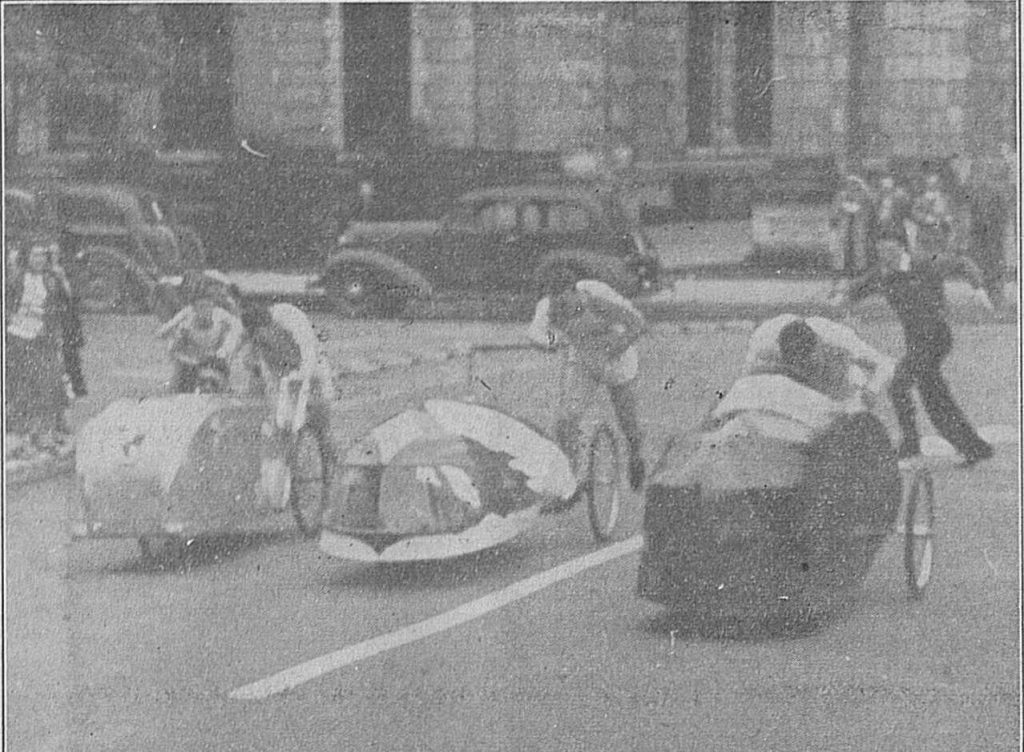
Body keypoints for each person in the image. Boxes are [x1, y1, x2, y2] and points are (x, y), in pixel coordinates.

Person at [831, 237, 995, 466]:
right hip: (916, 342)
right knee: (933, 394)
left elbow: (963, 263)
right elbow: (854, 290)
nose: (885, 256)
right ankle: (973, 447)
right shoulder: (882, 274)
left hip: (936, 338)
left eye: (889, 249)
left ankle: (912, 444)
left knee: (902, 386)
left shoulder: (925, 263)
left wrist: (978, 289)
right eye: (881, 251)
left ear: (901, 248)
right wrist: (840, 298)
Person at [528, 278, 646, 494]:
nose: (563, 308)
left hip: (616, 360)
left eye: (566, 302)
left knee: (628, 422)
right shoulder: (547, 307)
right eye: (558, 304)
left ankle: (635, 456)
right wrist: (554, 342)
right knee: (566, 420)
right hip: (585, 361)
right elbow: (535, 333)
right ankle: (570, 478)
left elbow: (637, 323)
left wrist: (616, 346)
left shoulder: (597, 299)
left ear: (575, 293)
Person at [241, 301, 334, 509]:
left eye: (263, 335)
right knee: (281, 427)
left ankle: (330, 479)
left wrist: (303, 378)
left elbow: (308, 353)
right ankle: (278, 487)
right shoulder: (259, 342)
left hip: (314, 368)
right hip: (285, 376)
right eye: (257, 338)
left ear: (270, 325)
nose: (261, 340)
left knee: (320, 424)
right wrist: (279, 411)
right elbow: (270, 380)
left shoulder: (289, 318)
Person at [4, 237, 75, 455]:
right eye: (35, 254)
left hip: (43, 338)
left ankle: (45, 431)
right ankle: (22, 434)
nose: (40, 259)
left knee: (49, 382)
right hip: (18, 337)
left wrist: (61, 277)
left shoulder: (51, 279)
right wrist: (13, 319)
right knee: (22, 385)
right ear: (27, 257)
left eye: (43, 255)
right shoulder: (16, 278)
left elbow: (66, 302)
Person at [742, 313, 896, 409]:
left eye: (813, 365)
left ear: (819, 343)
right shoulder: (763, 351)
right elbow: (745, 385)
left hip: (837, 369)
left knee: (853, 397)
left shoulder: (837, 337)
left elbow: (886, 364)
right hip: (778, 360)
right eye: (803, 367)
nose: (811, 373)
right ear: (787, 361)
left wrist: (872, 389)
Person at [947, 152, 1009, 308]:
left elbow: (1003, 215)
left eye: (982, 172)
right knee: (980, 266)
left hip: (993, 236)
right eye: (977, 173)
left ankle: (996, 297)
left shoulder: (996, 192)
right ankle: (987, 298)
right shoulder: (972, 191)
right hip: (979, 236)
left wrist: (996, 230)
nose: (979, 177)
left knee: (994, 266)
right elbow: (966, 212)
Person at [156, 290, 244, 393]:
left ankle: (220, 381)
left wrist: (224, 349)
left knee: (233, 335)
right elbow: (163, 332)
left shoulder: (219, 314)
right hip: (191, 358)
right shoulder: (187, 315)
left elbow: (239, 326)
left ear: (213, 306)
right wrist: (174, 332)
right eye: (201, 307)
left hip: (215, 356)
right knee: (178, 387)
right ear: (194, 309)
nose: (205, 311)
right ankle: (181, 379)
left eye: (208, 306)